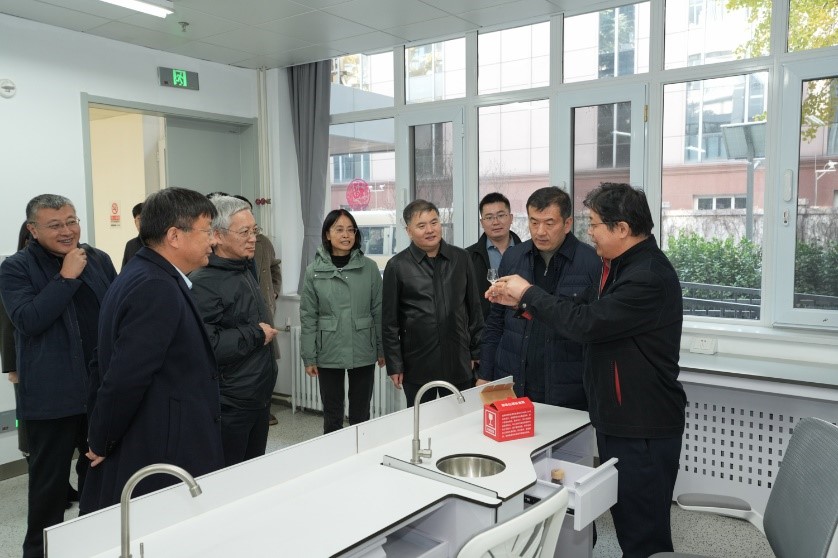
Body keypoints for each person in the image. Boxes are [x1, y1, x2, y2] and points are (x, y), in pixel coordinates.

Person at [487, 183, 686, 558]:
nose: (589, 231)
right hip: (620, 418)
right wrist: (524, 305)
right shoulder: (621, 266)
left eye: (594, 224)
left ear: (621, 228)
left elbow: (587, 324)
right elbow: (581, 314)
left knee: (643, 534)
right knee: (628, 521)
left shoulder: (646, 276)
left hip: (642, 424)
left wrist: (528, 292)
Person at [81, 187, 225, 513]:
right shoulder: (156, 287)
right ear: (174, 236)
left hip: (157, 433)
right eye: (207, 231)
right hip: (162, 445)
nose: (213, 241)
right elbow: (124, 376)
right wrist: (101, 439)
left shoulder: (144, 273)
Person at [0, 195, 117, 558]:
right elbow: (29, 320)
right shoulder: (15, 268)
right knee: (48, 486)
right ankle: (39, 551)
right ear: (33, 230)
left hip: (99, 391)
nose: (67, 231)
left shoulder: (97, 258)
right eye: (55, 225)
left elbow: (115, 312)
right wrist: (66, 278)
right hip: (51, 396)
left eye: (72, 221)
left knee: (98, 473)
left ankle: (91, 543)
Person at [477, 187, 600, 410]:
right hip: (514, 381)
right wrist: (485, 375)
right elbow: (495, 322)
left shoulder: (591, 262)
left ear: (567, 223)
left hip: (568, 388)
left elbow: (594, 328)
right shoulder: (513, 257)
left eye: (549, 223)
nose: (540, 231)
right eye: (534, 222)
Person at [189, 196, 279, 465]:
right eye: (244, 232)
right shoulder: (204, 281)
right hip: (230, 405)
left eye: (255, 230)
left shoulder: (243, 268)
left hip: (257, 397)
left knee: (252, 472)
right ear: (216, 235)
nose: (253, 239)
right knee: (228, 476)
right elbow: (207, 345)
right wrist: (257, 335)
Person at [382, 199, 484, 406]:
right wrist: (395, 364)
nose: (430, 230)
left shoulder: (461, 258)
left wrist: (476, 351)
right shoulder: (397, 266)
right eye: (421, 225)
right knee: (422, 420)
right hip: (417, 362)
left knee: (459, 417)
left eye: (434, 222)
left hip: (458, 358)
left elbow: (474, 309)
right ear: (409, 231)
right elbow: (389, 322)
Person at [299, 209, 384, 434]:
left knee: (361, 413)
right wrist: (309, 356)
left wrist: (382, 349)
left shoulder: (369, 268)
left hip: (363, 346)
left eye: (350, 230)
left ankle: (360, 451)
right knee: (332, 413)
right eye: (339, 229)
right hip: (329, 348)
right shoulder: (313, 272)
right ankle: (333, 451)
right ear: (328, 234)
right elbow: (308, 316)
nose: (346, 235)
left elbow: (379, 311)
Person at [231, 195, 282, 427]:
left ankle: (265, 407)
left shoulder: (263, 243)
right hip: (242, 316)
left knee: (268, 361)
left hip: (264, 309)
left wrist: (274, 292)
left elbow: (275, 267)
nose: (251, 234)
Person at [466, 192, 522, 320]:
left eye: (501, 215)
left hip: (521, 326)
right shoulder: (468, 257)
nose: (495, 222)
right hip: (484, 328)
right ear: (481, 222)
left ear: (511, 218)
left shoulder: (528, 253)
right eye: (489, 217)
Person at [121, 202, 144, 267]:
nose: (142, 222)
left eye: (145, 218)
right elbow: (125, 271)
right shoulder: (130, 245)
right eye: (139, 219)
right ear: (135, 222)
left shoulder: (159, 244)